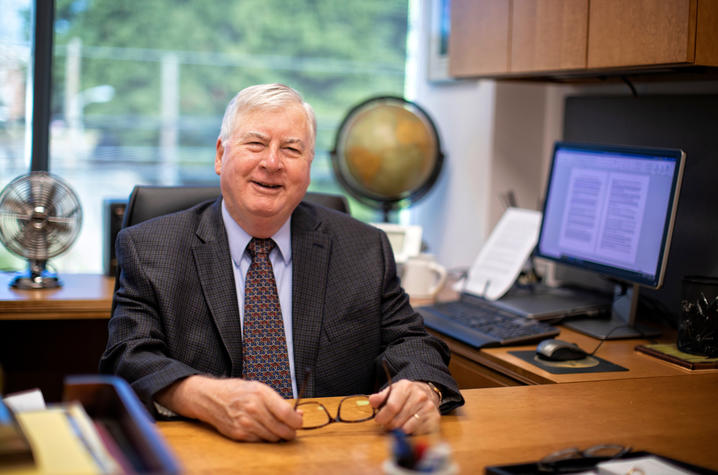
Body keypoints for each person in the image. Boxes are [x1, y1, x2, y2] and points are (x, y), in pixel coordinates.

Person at [100, 83, 463, 442]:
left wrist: (421, 387)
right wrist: (201, 397)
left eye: (291, 149)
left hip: (328, 449)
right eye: (255, 144)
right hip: (206, 447)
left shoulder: (364, 248)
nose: (272, 163)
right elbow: (128, 357)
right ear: (220, 155)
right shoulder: (149, 248)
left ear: (308, 165)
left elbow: (410, 341)